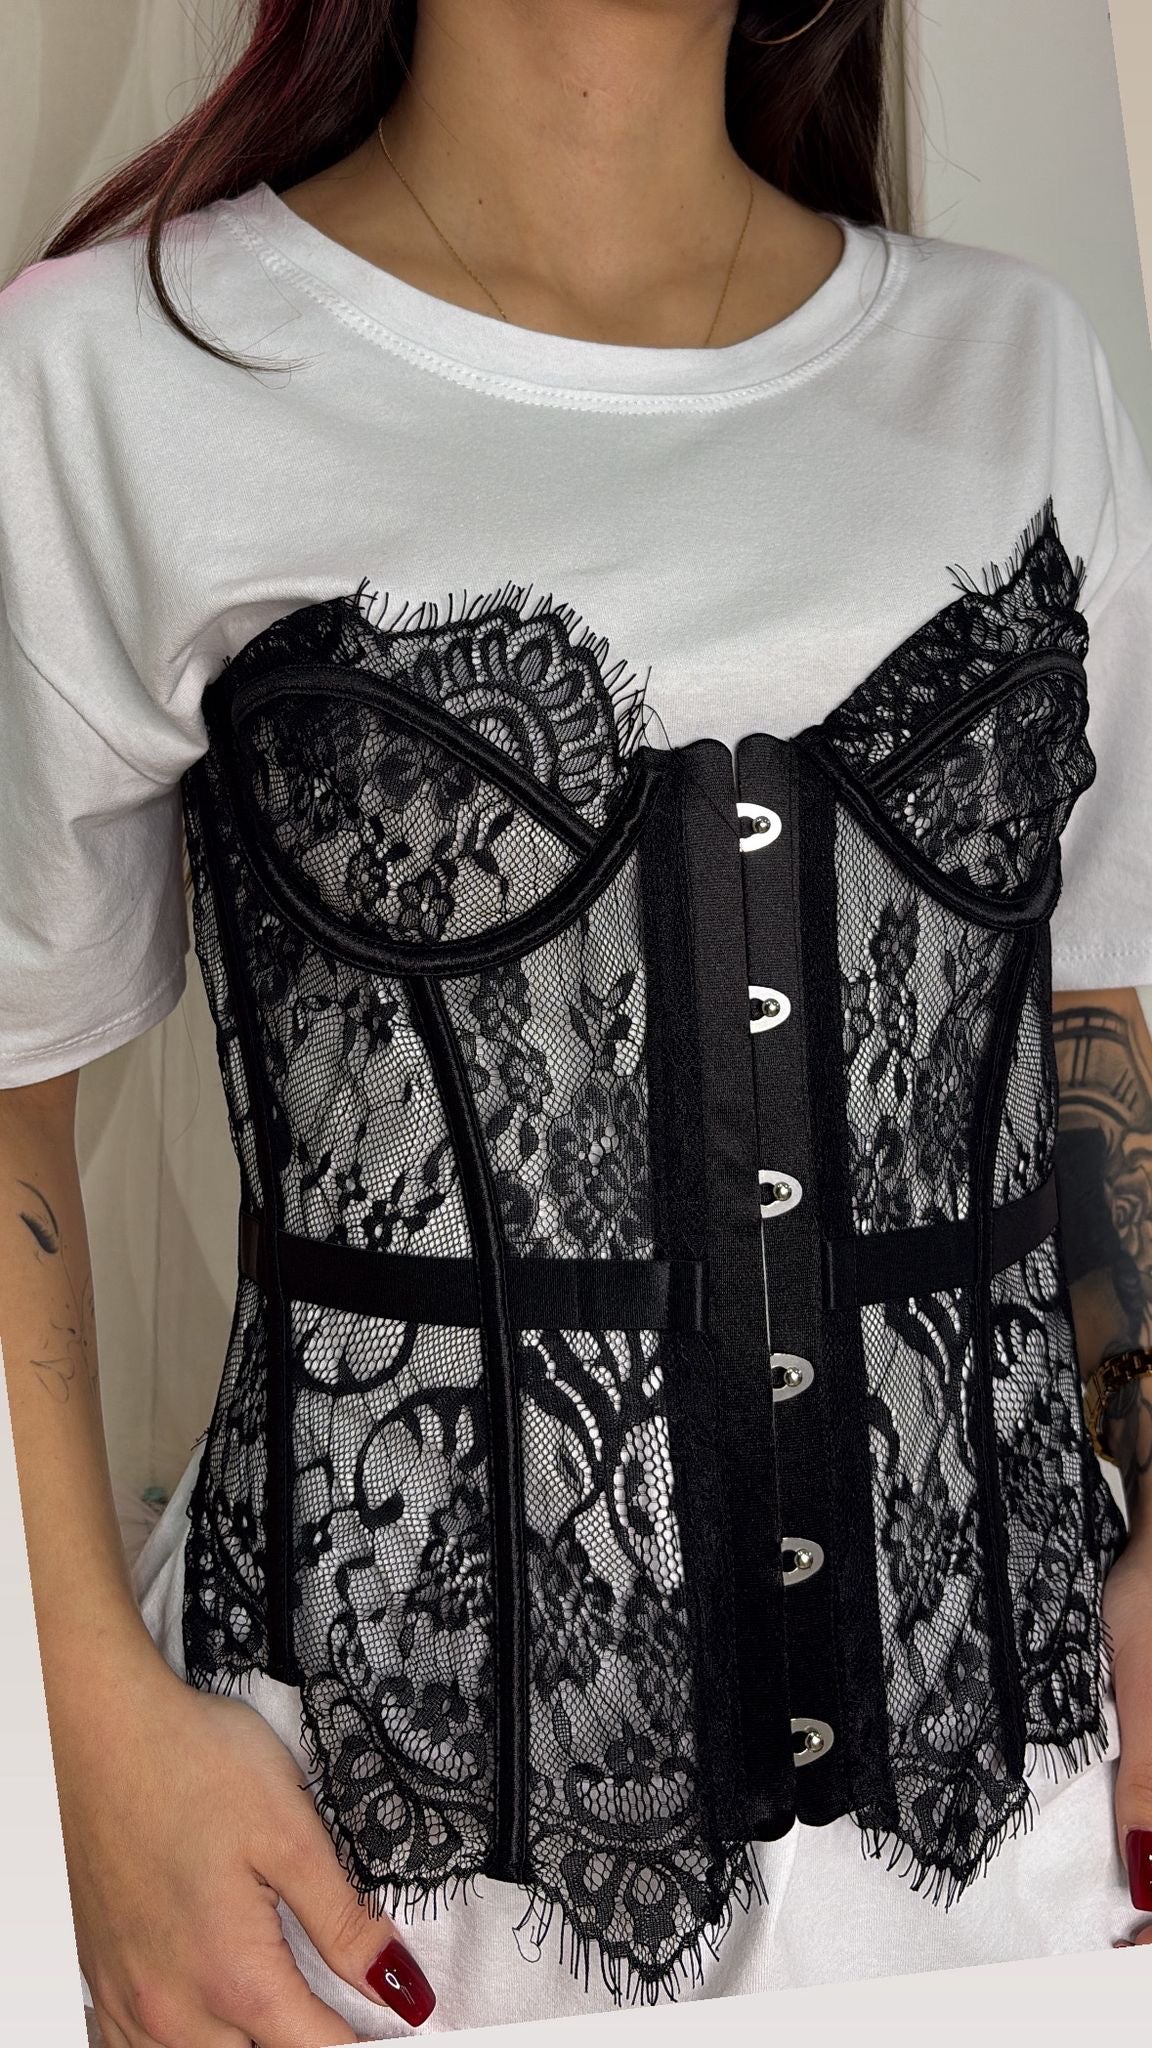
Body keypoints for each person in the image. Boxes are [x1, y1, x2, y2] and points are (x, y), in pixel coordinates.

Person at [1, 3, 1151, 2044]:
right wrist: (77, 1717)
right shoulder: (114, 370)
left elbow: (1090, 1019)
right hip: (368, 1881)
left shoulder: (1018, 361)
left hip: (1036, 1848)